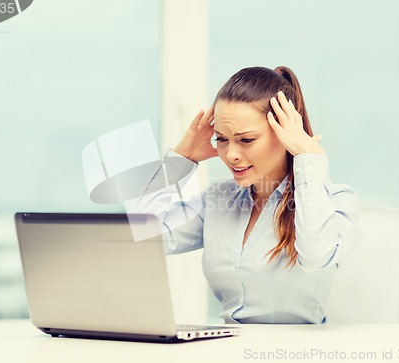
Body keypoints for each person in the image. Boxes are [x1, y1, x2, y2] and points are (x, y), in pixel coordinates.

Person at [130, 66, 361, 324]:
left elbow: (316, 255)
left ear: (284, 134)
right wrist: (181, 159)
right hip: (227, 349)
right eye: (221, 139)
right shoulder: (218, 199)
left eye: (246, 140)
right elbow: (143, 236)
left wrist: (310, 158)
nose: (231, 155)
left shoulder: (335, 201)